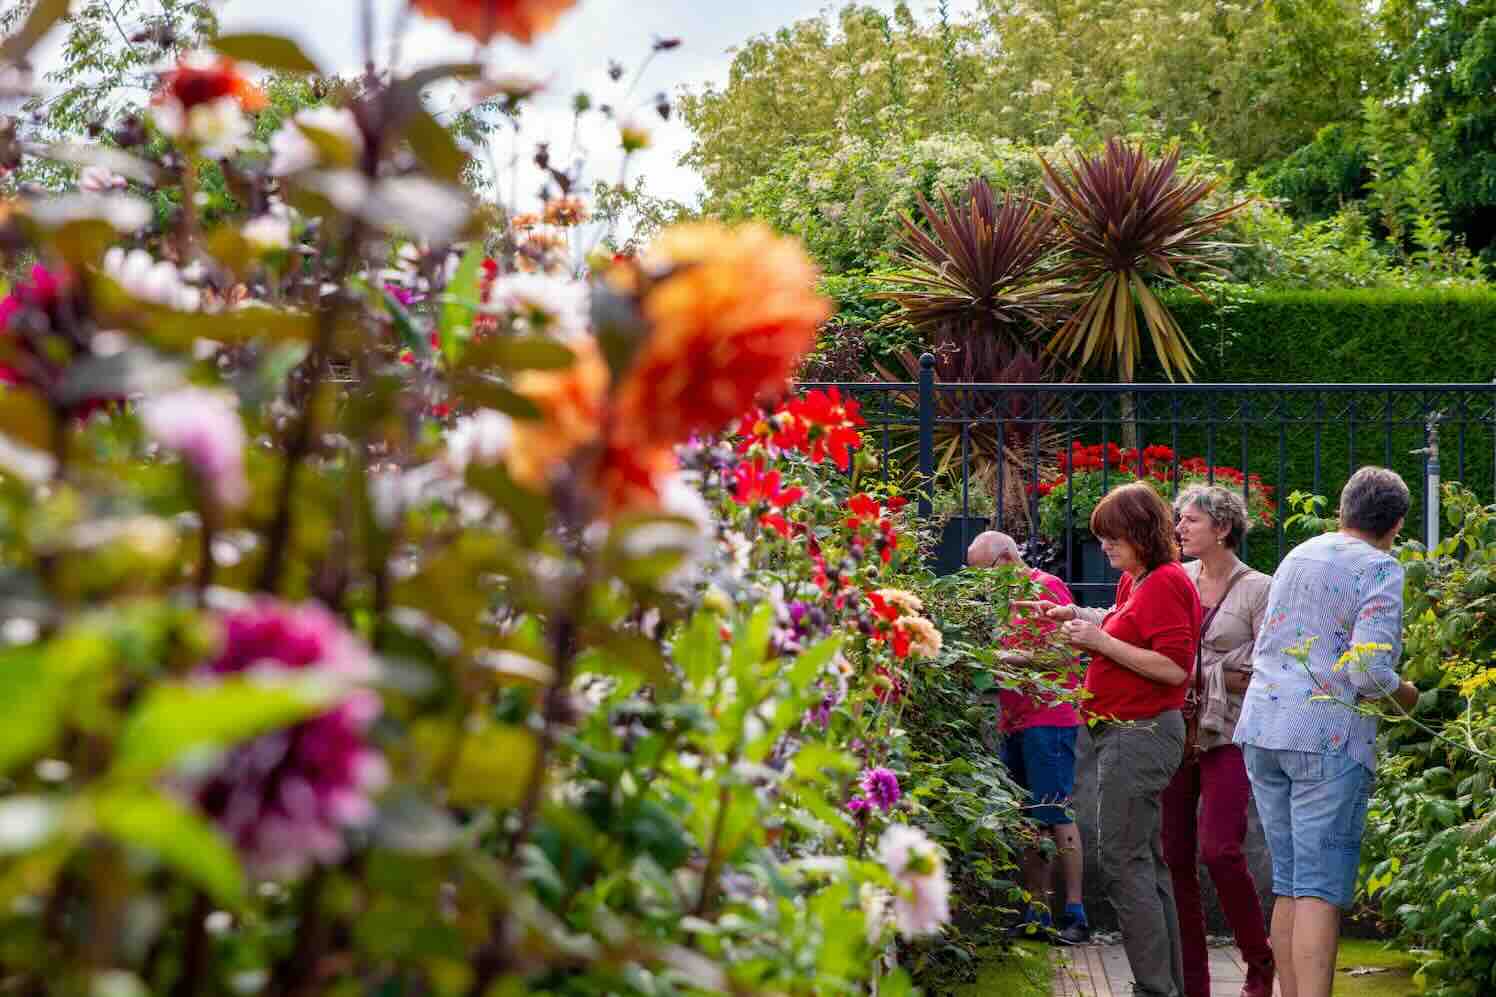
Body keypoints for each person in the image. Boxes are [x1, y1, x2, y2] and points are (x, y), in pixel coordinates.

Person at [1234, 467, 1420, 997]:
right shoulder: (1381, 567)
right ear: (1397, 523)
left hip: (1264, 726)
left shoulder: (1299, 553)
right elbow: (1368, 673)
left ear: (1343, 510)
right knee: (1319, 889)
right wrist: (1408, 695)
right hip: (1326, 734)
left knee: (1290, 884)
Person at [1016, 481, 1201, 996]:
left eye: (1113, 536)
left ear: (1141, 532)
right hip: (1124, 732)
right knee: (1145, 862)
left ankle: (1154, 988)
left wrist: (1097, 640)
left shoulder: (1164, 583)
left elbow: (1171, 668)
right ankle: (1167, 986)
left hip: (1140, 735)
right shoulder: (1137, 581)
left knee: (1122, 862)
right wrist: (1075, 616)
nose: (1104, 546)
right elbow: (1126, 629)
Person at [1163, 486, 1274, 997]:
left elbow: (1268, 667)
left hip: (1228, 735)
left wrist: (1197, 673)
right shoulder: (1176, 579)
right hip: (1174, 734)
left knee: (1220, 851)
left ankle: (1258, 960)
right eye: (1179, 520)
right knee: (1174, 856)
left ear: (1223, 528)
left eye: (1189, 521)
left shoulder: (1259, 589)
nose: (1180, 529)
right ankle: (1194, 982)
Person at [968, 531, 1090, 944]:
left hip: (1049, 718)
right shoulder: (1003, 603)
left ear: (1004, 560)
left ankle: (1075, 913)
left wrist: (998, 658)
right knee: (1027, 819)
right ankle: (1036, 909)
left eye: (982, 572)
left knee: (1055, 813)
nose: (979, 583)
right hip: (1016, 719)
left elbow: (1065, 653)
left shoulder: (1045, 587)